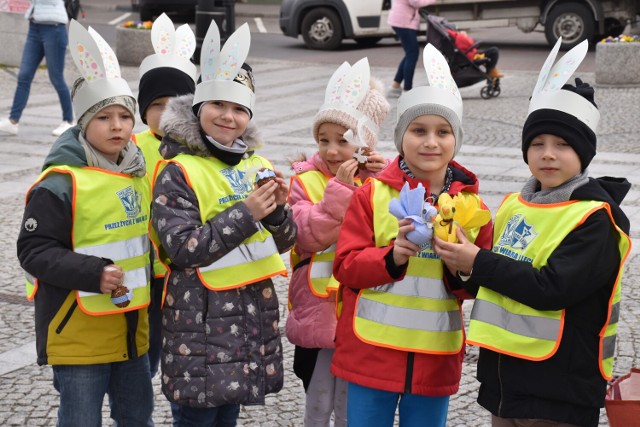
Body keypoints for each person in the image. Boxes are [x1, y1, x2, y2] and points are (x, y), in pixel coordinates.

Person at [433, 39, 632, 427]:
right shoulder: (513, 205)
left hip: (559, 386)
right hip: (505, 382)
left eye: (563, 144)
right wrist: (463, 263)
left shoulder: (595, 218)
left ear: (584, 154)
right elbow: (488, 285)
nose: (548, 154)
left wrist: (479, 261)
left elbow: (552, 288)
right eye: (537, 143)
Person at [330, 44, 493, 427]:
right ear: (401, 138)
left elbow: (480, 284)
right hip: (371, 350)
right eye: (418, 131)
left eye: (443, 132)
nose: (430, 142)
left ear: (456, 140)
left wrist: (465, 266)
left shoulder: (473, 208)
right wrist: (393, 257)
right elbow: (345, 267)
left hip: (435, 355)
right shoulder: (372, 194)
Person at [150, 21, 297, 426]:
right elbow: (182, 249)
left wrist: (279, 213)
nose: (227, 117)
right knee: (197, 416)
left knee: (227, 416)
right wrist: (247, 213)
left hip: (247, 315)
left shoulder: (258, 164)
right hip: (198, 322)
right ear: (198, 108)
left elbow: (285, 242)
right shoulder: (178, 170)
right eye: (217, 105)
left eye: (238, 109)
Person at [16, 20, 153, 426]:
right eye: (104, 117)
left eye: (125, 117)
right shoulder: (59, 182)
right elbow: (34, 251)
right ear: (83, 124)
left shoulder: (136, 173)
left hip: (131, 330)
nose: (117, 126)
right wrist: (95, 273)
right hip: (76, 330)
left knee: (137, 419)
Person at [286, 57, 390, 427]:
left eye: (343, 142)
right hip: (317, 305)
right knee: (317, 397)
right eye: (323, 140)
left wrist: (389, 180)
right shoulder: (304, 180)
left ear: (364, 144)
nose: (332, 151)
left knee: (352, 400)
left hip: (361, 306)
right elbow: (307, 235)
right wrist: (342, 190)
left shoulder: (379, 181)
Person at [133, 12, 198, 379]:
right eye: (156, 105)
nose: (165, 113)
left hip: (183, 268)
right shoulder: (130, 148)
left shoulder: (196, 151)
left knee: (182, 351)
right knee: (144, 351)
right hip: (142, 270)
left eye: (175, 104)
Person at [0, 0, 74, 137]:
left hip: (54, 28)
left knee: (56, 77)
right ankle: (13, 121)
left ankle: (69, 121)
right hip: (34, 27)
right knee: (24, 75)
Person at [386, 0, 435, 96]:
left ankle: (395, 85)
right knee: (412, 54)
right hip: (403, 22)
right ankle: (407, 89)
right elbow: (415, 2)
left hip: (401, 20)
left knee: (410, 53)